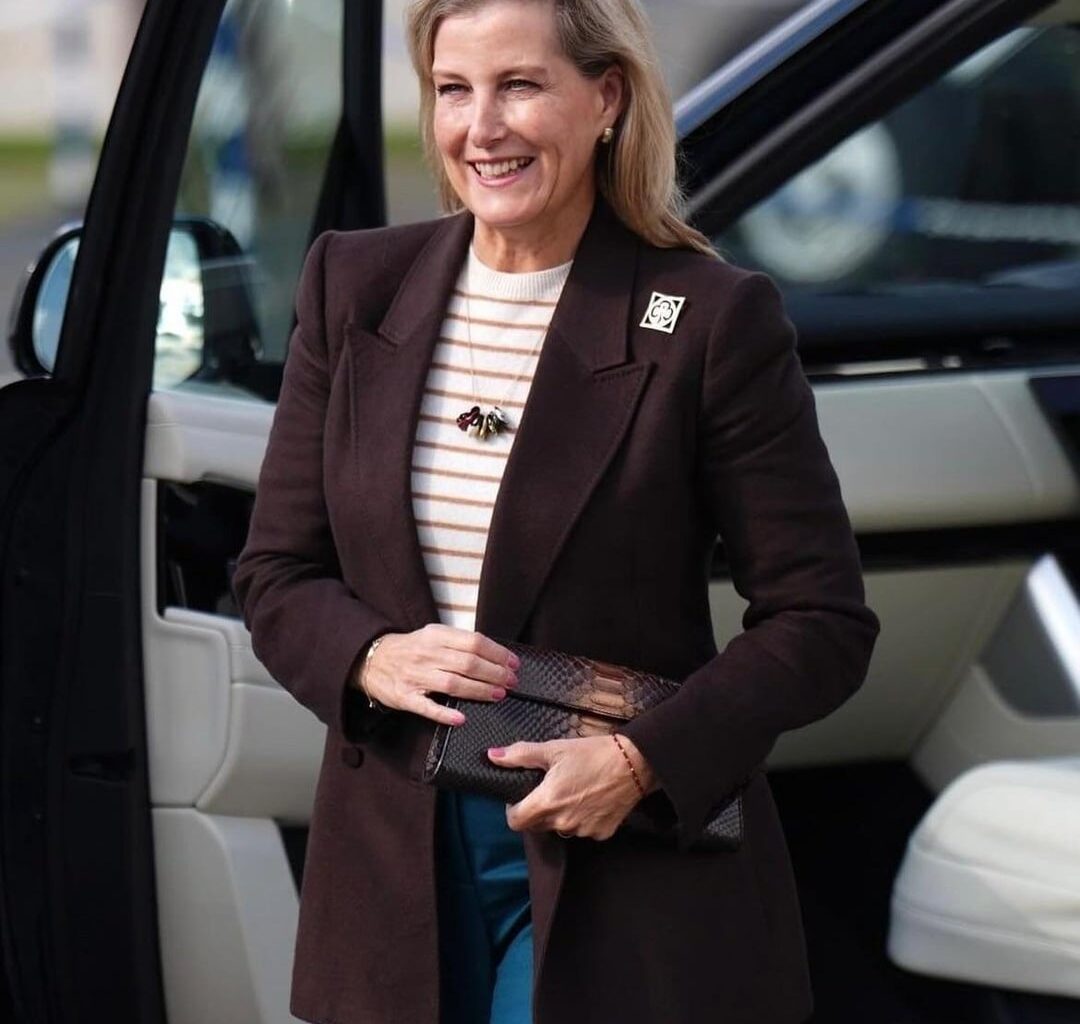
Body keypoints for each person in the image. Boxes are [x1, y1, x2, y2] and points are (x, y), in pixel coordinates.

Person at [231, 0, 881, 1021]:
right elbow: (275, 572)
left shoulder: (709, 320)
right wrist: (370, 656)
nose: (480, 128)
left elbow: (823, 622)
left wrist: (641, 761)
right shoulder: (352, 286)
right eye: (455, 90)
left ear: (606, 98)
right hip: (395, 856)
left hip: (614, 860)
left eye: (520, 86)